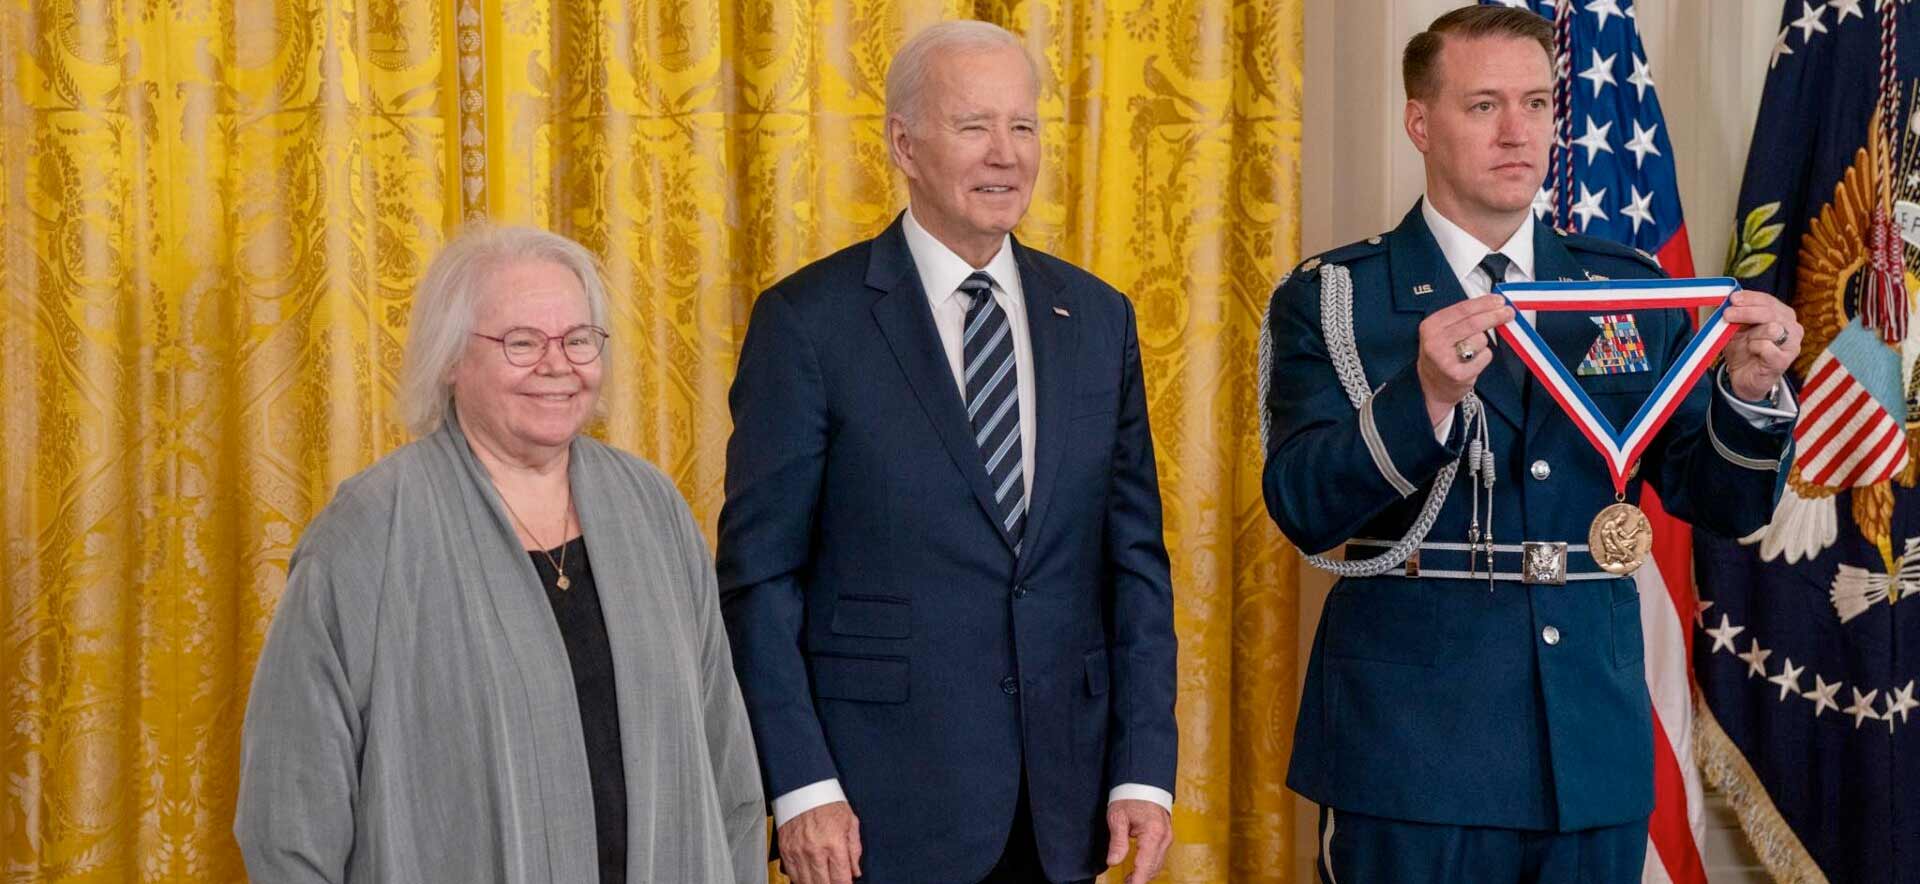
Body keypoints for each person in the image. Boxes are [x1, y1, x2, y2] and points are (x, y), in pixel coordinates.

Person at [1261, 6, 1802, 882]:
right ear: (1419, 122)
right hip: (1413, 753)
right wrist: (1426, 396)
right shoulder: (1337, 296)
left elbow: (1723, 503)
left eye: (1538, 103)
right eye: (1482, 106)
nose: (1519, 132)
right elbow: (1302, 507)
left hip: (1588, 742)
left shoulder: (1626, 288)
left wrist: (1746, 393)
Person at [716, 20, 1177, 884]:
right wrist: (801, 785)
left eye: (1024, 126)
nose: (1006, 154)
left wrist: (1142, 767)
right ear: (904, 143)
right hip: (872, 811)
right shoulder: (809, 323)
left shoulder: (1099, 317)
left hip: (1063, 806)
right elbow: (758, 579)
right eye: (974, 127)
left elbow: (1135, 564)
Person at [234, 225, 764, 884]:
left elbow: (726, 765)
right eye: (521, 343)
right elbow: (289, 813)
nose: (557, 364)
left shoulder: (650, 508)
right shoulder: (370, 531)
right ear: (451, 359)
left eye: (577, 340)